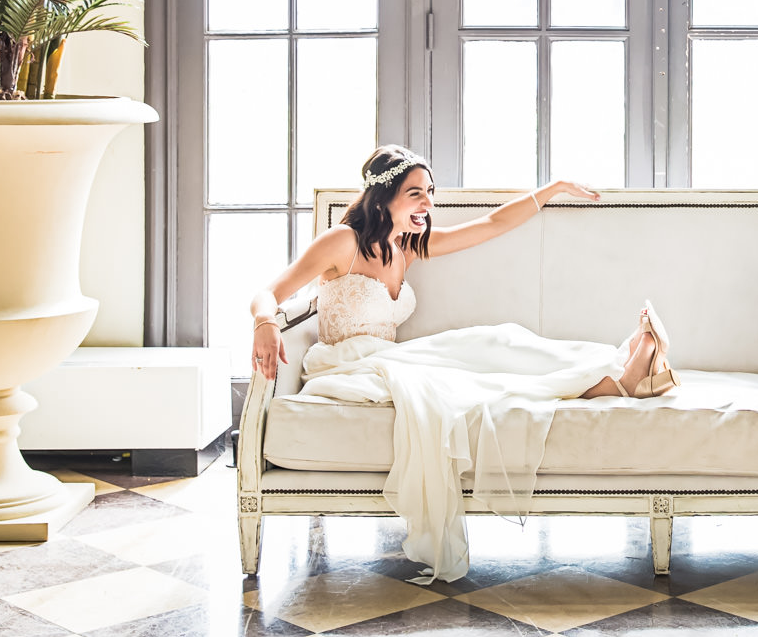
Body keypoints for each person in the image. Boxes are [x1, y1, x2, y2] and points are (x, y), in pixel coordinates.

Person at [246, 144, 676, 580]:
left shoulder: (405, 246)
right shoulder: (342, 243)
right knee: (475, 371)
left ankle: (616, 369)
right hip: (348, 366)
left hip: (389, 360)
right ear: (384, 195)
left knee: (497, 341)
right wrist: (265, 321)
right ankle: (616, 381)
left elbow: (489, 225)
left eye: (430, 191)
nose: (428, 203)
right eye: (416, 193)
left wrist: (553, 188)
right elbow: (268, 293)